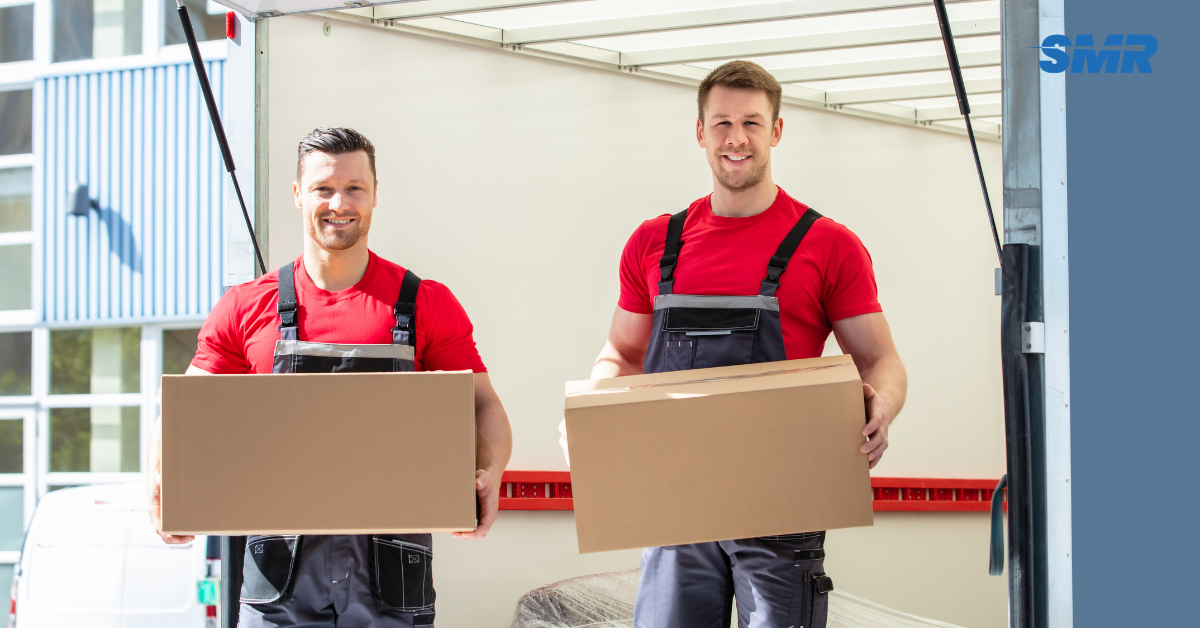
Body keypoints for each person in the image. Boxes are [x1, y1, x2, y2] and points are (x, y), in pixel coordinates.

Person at [561, 61, 907, 628]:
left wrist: (883, 405)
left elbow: (880, 360)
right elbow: (622, 354)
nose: (736, 138)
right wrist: (592, 415)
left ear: (776, 131)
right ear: (700, 132)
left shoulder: (829, 245)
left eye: (751, 122)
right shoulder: (654, 243)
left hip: (785, 499)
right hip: (675, 500)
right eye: (721, 122)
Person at [146, 127, 512, 628]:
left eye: (355, 188)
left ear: (376, 194)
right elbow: (185, 411)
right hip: (278, 587)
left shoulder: (425, 303)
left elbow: (483, 406)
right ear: (298, 195)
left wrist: (490, 473)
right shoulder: (246, 306)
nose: (340, 202)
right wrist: (162, 480)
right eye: (323, 188)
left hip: (391, 584)